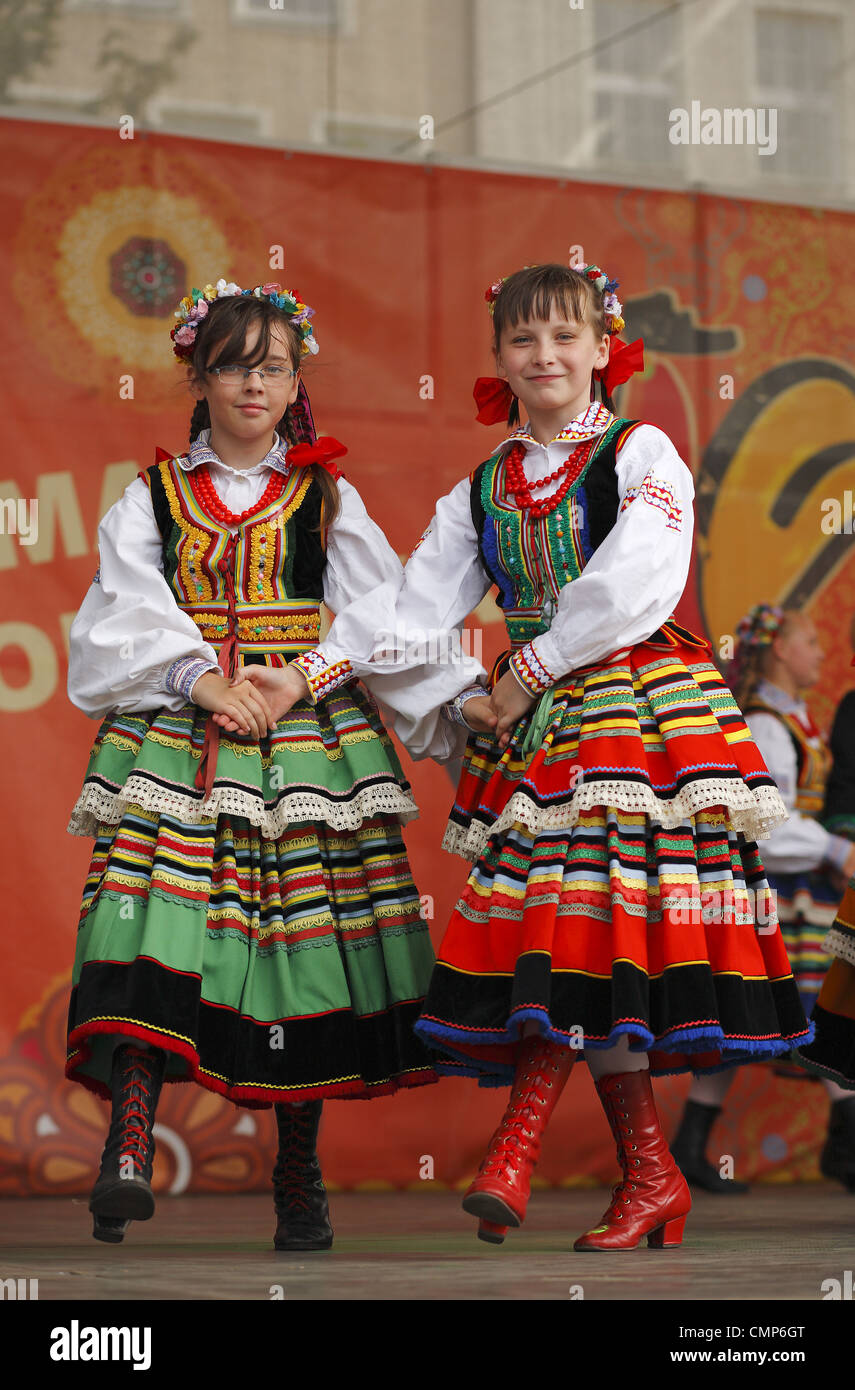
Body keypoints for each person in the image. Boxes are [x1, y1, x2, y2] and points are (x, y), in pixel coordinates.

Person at [373, 262, 812, 1251]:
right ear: (498, 359)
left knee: (580, 937)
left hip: (633, 718)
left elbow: (637, 578)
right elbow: (407, 614)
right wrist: (451, 696)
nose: (545, 356)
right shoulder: (483, 484)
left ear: (603, 346)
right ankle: (652, 1175)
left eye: (565, 337)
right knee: (582, 946)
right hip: (543, 736)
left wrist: (529, 662)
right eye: (523, 340)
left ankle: (514, 1152)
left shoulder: (638, 447)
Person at [65, 278, 437, 1248]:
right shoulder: (151, 498)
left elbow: (385, 617)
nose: (253, 383)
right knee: (148, 919)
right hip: (183, 734)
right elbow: (118, 615)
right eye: (233, 364)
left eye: (273, 366)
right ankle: (129, 1145)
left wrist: (300, 676)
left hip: (303, 743)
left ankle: (298, 1174)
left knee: (295, 951)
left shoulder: (325, 496)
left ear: (295, 378)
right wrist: (199, 680)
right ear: (197, 371)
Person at [670, 605, 855, 1193]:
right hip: (783, 894)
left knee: (759, 1019)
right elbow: (765, 825)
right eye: (808, 639)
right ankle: (848, 1144)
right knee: (806, 1015)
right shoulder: (768, 726)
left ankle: (689, 1147)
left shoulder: (794, 720)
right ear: (779, 650)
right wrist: (833, 847)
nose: (820, 651)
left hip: (802, 892)